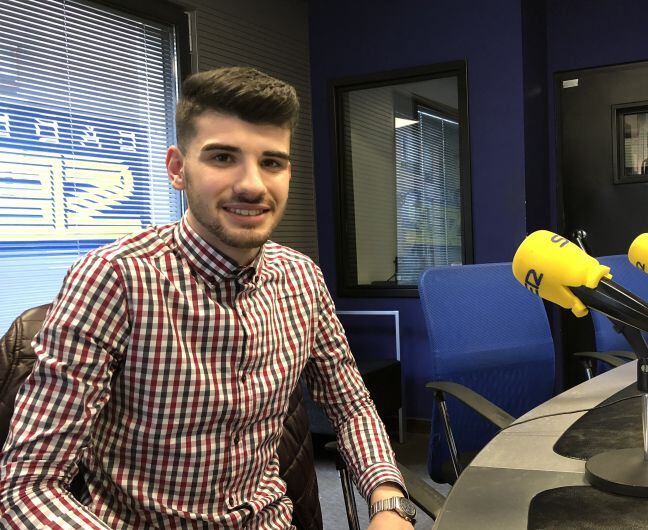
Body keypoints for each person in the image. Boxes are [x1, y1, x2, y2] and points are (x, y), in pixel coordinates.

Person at [0, 67, 415, 529]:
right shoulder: (115, 278)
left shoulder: (302, 279)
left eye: (271, 162)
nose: (253, 185)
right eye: (222, 157)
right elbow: (28, 486)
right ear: (178, 169)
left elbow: (350, 404)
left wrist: (388, 500)